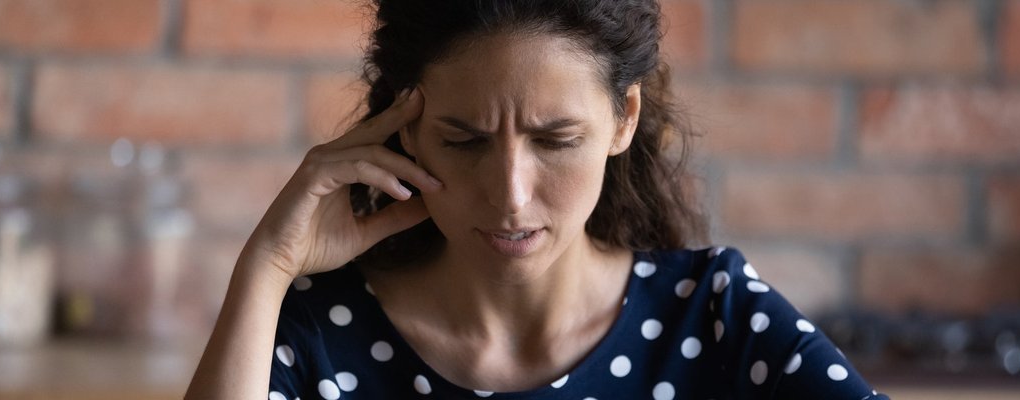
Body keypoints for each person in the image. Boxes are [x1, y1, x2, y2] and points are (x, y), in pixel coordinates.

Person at [185, 0, 889, 399]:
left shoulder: (713, 318)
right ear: (402, 129)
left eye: (556, 141)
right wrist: (269, 265)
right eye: (464, 141)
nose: (511, 195)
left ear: (623, 120)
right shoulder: (316, 333)